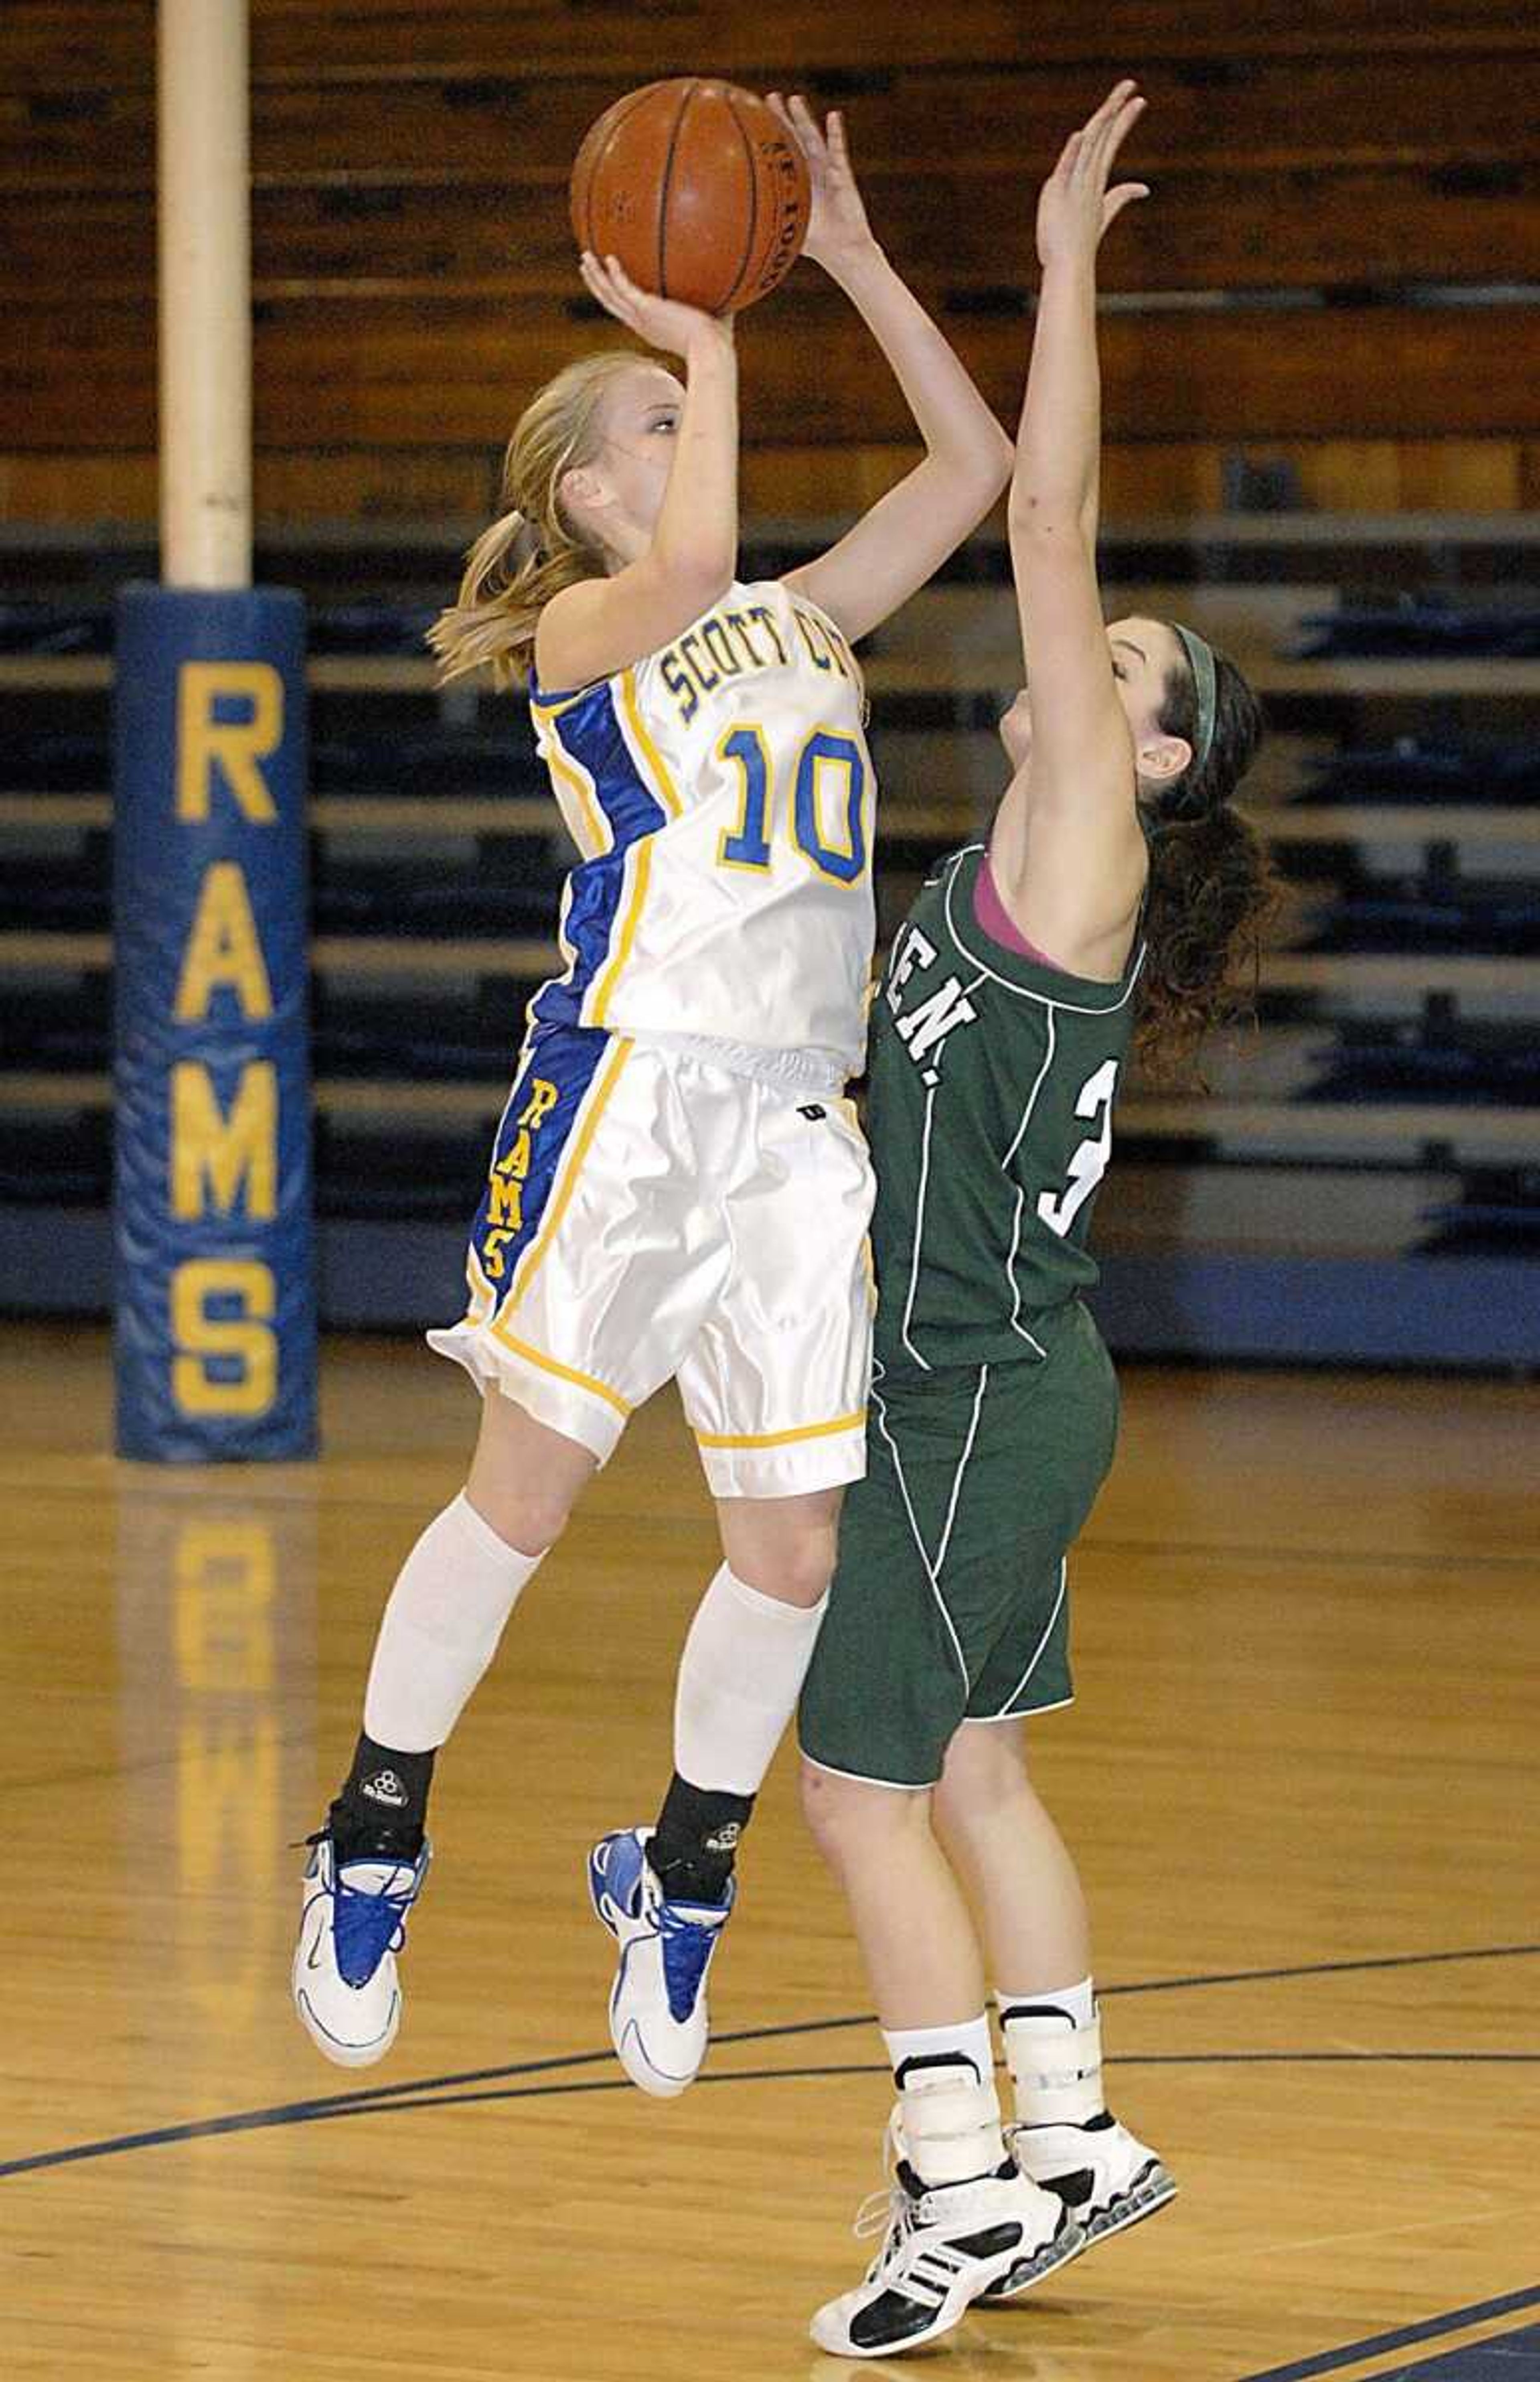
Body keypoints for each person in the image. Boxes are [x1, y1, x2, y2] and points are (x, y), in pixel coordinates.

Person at [291, 94, 1015, 2076]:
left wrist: (846, 254)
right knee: (522, 1498)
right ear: (590, 492)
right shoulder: (591, 627)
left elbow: (978, 466)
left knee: (789, 1549)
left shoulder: (795, 610)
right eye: (661, 420)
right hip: (631, 1093)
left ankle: (679, 1878)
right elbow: (696, 564)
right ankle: (371, 1835)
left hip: (798, 1116)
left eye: (691, 406)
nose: (695, 432)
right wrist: (705, 320)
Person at [792, 84, 1279, 2357]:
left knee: (854, 1791)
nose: (1089, 662)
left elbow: (1046, 501)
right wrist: (866, 258)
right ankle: (1073, 2132)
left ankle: (960, 2184)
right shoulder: (1013, 861)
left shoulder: (1079, 822)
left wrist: (1067, 258)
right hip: (1006, 1380)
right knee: (973, 1764)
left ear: (1156, 760)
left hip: (978, 1390)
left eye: (1132, 671)